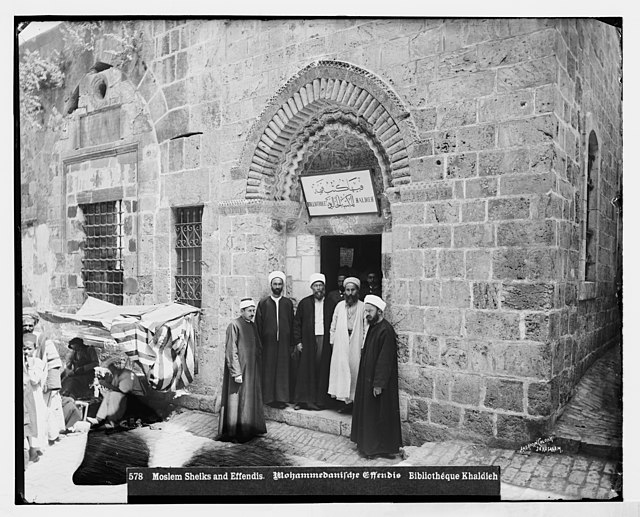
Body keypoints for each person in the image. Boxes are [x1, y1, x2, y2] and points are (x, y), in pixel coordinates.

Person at [351, 295, 402, 459]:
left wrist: (378, 384)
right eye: (366, 311)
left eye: (370, 311)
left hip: (378, 383)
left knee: (378, 415)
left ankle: (377, 449)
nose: (367, 314)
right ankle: (366, 446)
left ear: (379, 311)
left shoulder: (386, 330)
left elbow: (384, 360)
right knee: (369, 413)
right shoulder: (373, 327)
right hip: (368, 378)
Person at [217, 298, 267, 443]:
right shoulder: (234, 325)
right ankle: (234, 432)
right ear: (242, 311)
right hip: (239, 370)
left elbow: (257, 346)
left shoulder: (252, 325)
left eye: (253, 311)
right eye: (249, 311)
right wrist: (236, 372)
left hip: (251, 370)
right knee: (236, 400)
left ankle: (249, 429)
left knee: (249, 400)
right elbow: (231, 350)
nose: (252, 314)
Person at [292, 273, 336, 410]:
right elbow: (297, 323)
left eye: (321, 286)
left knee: (321, 369)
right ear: (312, 287)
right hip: (308, 340)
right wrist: (298, 342)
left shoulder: (330, 303)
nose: (318, 289)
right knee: (306, 369)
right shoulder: (304, 303)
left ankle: (320, 401)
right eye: (316, 286)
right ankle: (303, 400)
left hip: (324, 339)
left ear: (324, 287)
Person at [23, 308, 65, 445]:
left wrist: (51, 384)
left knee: (43, 412)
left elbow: (54, 361)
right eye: (24, 325)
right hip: (25, 381)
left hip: (40, 382)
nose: (27, 328)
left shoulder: (42, 339)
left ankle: (43, 442)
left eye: (30, 325)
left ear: (34, 324)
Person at [255, 271, 294, 409]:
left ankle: (282, 398)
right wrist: (259, 343)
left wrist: (292, 343)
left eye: (279, 284)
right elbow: (258, 324)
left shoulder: (287, 303)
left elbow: (292, 322)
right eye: (275, 284)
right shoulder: (264, 303)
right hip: (268, 343)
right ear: (271, 285)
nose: (277, 286)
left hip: (284, 342)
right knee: (269, 369)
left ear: (283, 286)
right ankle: (269, 398)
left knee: (283, 369)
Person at [328, 277, 367, 413]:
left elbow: (366, 328)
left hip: (356, 343)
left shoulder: (363, 307)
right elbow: (333, 326)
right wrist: (333, 343)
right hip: (341, 343)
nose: (350, 293)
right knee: (342, 371)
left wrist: (363, 345)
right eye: (348, 290)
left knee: (355, 371)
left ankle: (355, 403)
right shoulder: (339, 306)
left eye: (353, 290)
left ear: (358, 291)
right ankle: (345, 403)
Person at [88, 357, 135, 429]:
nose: (110, 370)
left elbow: (122, 390)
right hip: (124, 395)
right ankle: (99, 418)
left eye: (111, 368)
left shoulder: (126, 374)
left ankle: (112, 422)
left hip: (134, 397)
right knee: (109, 394)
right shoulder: (117, 375)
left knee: (114, 395)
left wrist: (106, 384)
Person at [23, 333, 47, 463]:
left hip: (35, 396)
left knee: (35, 421)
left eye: (29, 349)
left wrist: (29, 365)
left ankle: (34, 452)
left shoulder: (38, 362)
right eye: (24, 349)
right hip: (26, 397)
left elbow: (34, 379)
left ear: (35, 349)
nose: (26, 352)